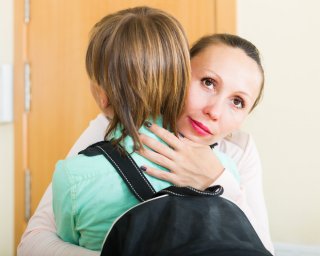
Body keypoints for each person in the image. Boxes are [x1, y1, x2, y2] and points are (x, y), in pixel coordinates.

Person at [17, 28, 274, 256]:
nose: (214, 111)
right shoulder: (116, 127)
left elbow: (263, 249)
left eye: (237, 101)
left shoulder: (239, 151)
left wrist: (218, 181)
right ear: (179, 74)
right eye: (208, 83)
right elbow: (31, 244)